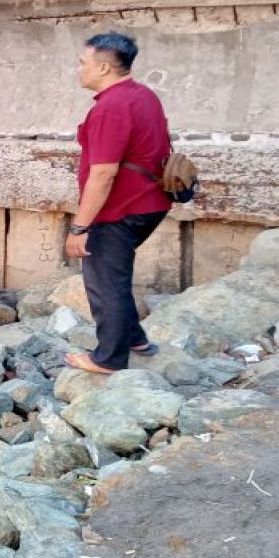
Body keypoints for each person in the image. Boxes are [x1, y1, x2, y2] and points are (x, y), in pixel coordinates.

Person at [64, 33, 172, 375]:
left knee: (104, 282)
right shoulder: (143, 95)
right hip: (150, 203)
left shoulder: (111, 107)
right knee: (116, 273)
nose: (79, 69)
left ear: (104, 67)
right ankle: (136, 338)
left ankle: (108, 359)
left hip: (121, 209)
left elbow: (103, 175)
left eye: (83, 63)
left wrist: (80, 227)